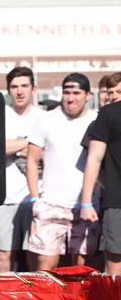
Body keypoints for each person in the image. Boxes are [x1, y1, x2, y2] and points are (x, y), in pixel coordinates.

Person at [26, 73, 100, 270]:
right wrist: (35, 199)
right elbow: (31, 160)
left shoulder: (96, 121)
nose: (70, 97)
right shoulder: (46, 119)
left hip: (86, 206)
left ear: (88, 95)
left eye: (76, 92)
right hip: (50, 204)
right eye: (67, 92)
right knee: (45, 267)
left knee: (83, 268)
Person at [0, 66, 42, 271]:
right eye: (14, 86)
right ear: (8, 90)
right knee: (3, 256)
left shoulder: (43, 117)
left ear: (34, 89)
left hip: (36, 197)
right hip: (4, 197)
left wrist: (13, 146)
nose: (20, 91)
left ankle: (36, 299)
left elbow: (47, 152)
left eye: (24, 86)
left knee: (35, 255)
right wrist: (29, 144)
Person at [79, 73, 121, 273]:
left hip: (114, 201)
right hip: (116, 203)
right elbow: (93, 158)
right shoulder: (108, 114)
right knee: (114, 264)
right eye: (111, 91)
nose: (113, 95)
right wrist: (86, 202)